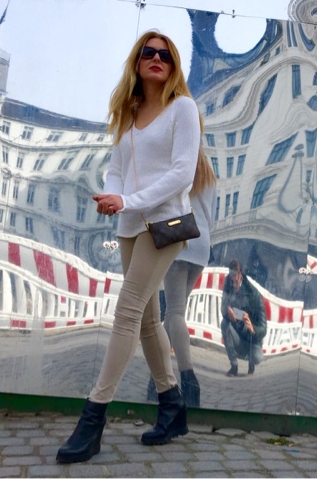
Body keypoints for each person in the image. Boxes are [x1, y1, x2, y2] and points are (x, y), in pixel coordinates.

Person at [57, 30, 202, 463]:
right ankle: (172, 407)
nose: (157, 58)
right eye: (148, 52)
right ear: (137, 62)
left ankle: (93, 418)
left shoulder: (183, 108)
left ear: (173, 65)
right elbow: (117, 169)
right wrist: (112, 195)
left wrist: (130, 201)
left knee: (127, 312)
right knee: (147, 321)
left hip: (165, 223)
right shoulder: (130, 112)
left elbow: (183, 173)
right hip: (130, 226)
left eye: (165, 55)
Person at [147, 151, 217, 407]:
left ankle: (188, 379)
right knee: (173, 315)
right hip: (201, 242)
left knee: (174, 312)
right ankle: (156, 378)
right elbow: (212, 214)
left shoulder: (178, 163)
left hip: (178, 236)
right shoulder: (209, 172)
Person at [221, 259, 268, 376]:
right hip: (237, 335)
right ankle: (234, 366)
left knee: (257, 357)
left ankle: (251, 362)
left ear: (240, 275)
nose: (233, 285)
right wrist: (228, 314)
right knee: (224, 324)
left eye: (236, 282)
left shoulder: (254, 295)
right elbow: (223, 308)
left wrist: (252, 328)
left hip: (251, 341)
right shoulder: (228, 284)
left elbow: (263, 328)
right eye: (231, 282)